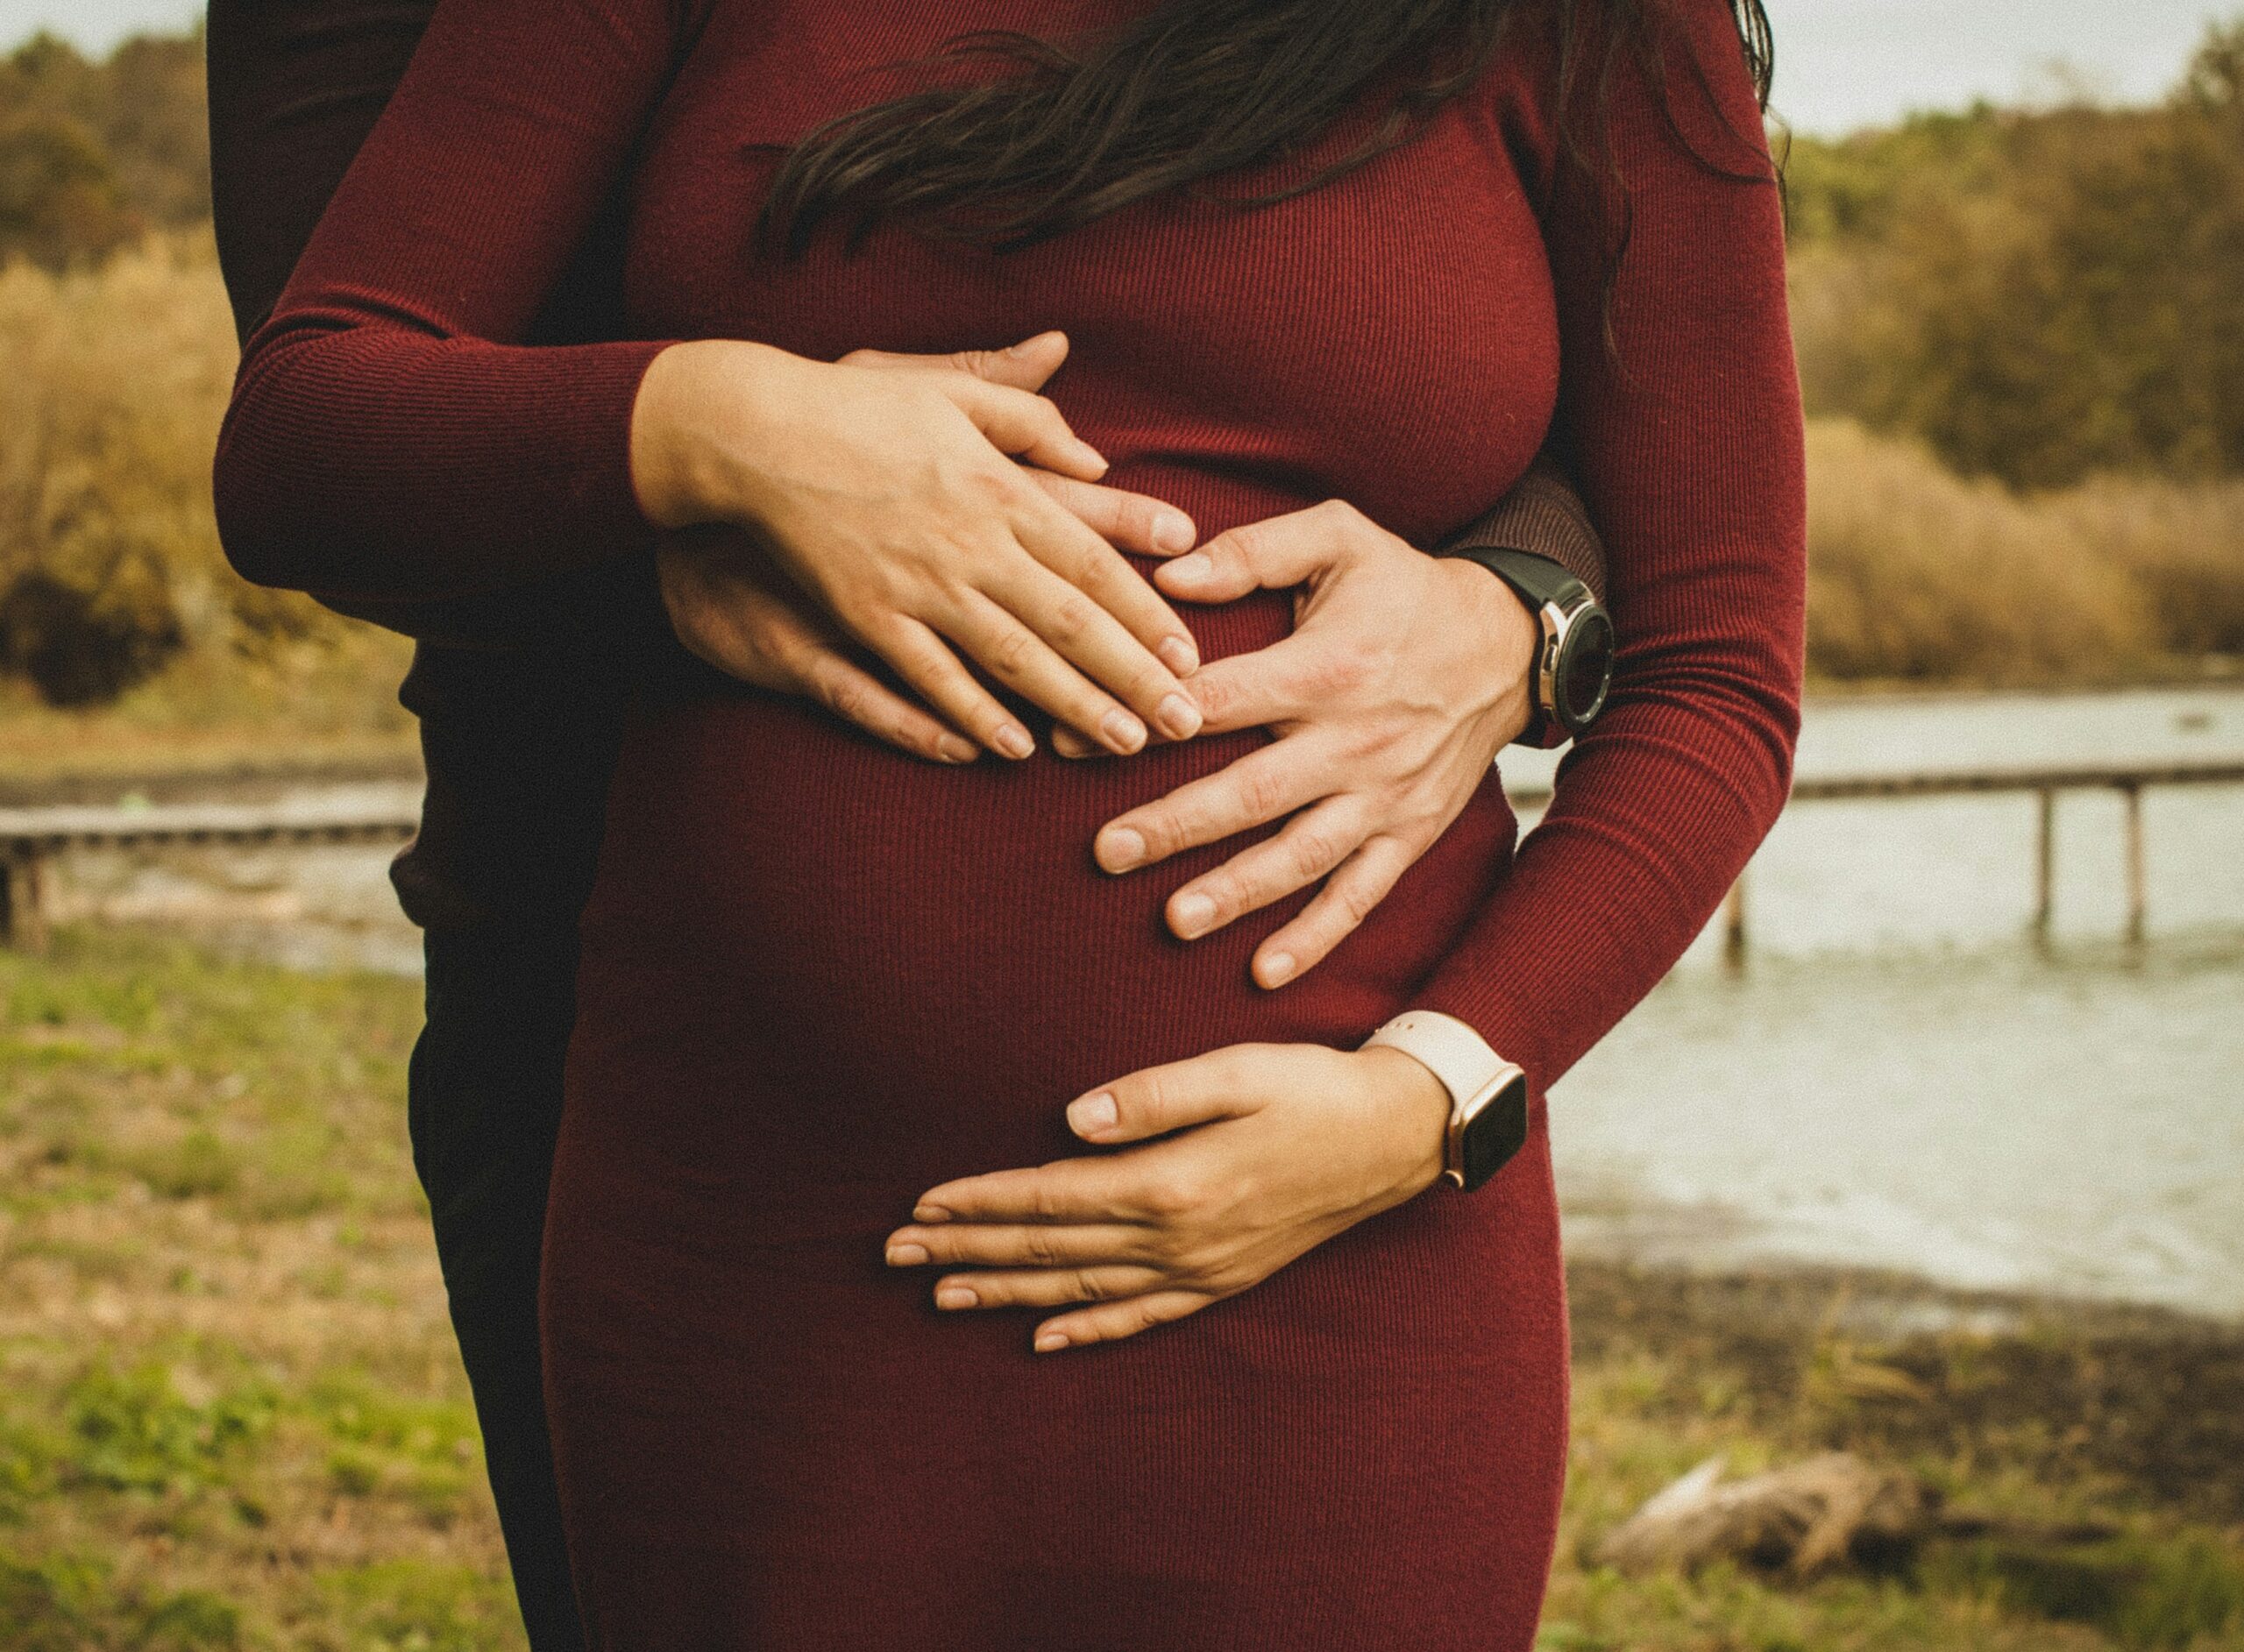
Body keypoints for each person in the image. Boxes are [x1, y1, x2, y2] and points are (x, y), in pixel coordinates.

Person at [212, 0, 1802, 1643]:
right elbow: (310, 430)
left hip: (1335, 1257)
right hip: (754, 1245)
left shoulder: (1597, 21)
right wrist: (719, 425)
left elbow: (1720, 679)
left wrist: (1432, 1101)